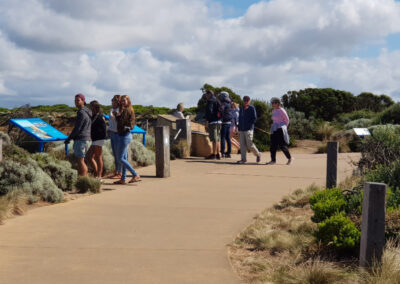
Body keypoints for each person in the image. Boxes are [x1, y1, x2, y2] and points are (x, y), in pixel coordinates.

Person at [114, 95, 141, 184]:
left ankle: (135, 174)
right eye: (122, 101)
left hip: (125, 136)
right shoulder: (124, 110)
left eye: (124, 100)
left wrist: (128, 127)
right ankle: (123, 179)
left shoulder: (128, 110)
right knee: (124, 158)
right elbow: (122, 121)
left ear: (128, 101)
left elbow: (131, 123)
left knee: (120, 158)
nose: (122, 102)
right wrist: (117, 116)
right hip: (123, 135)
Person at [65, 93, 92, 176]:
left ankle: (84, 179)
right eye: (75, 100)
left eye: (78, 100)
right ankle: (84, 178)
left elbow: (78, 128)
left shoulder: (81, 112)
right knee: (82, 160)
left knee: (80, 161)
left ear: (83, 101)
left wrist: (69, 139)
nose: (76, 102)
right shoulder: (88, 111)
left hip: (81, 139)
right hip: (87, 138)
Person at [266, 97, 292, 165]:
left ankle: (290, 159)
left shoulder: (282, 110)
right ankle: (273, 160)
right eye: (272, 103)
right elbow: (274, 120)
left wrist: (283, 127)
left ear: (278, 103)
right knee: (273, 145)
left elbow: (287, 120)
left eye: (273, 103)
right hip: (274, 128)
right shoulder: (274, 110)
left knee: (282, 145)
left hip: (280, 129)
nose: (272, 104)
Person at [237, 96, 262, 164]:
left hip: (249, 129)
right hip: (241, 129)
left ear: (249, 101)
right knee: (242, 145)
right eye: (244, 100)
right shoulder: (241, 108)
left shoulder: (252, 108)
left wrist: (250, 125)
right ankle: (243, 159)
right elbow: (239, 118)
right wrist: (238, 127)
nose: (245, 101)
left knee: (249, 144)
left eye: (247, 100)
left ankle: (258, 154)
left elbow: (254, 118)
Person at [88, 100, 106, 181]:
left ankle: (99, 176)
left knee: (98, 157)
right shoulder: (93, 115)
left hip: (99, 139)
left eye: (91, 106)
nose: (89, 107)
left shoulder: (100, 116)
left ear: (94, 107)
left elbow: (103, 129)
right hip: (94, 139)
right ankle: (96, 173)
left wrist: (100, 138)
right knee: (89, 157)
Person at [108, 95, 122, 179]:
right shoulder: (112, 110)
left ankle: (119, 172)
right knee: (115, 154)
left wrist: (113, 114)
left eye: (115, 101)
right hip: (112, 133)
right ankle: (116, 171)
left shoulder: (119, 110)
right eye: (112, 101)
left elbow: (113, 118)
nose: (113, 102)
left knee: (118, 154)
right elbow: (111, 121)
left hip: (118, 133)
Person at [204, 90, 221, 159]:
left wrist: (207, 121)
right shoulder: (217, 100)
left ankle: (213, 154)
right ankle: (218, 154)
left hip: (213, 122)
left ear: (209, 94)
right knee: (218, 138)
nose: (206, 96)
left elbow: (209, 112)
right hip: (219, 122)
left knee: (214, 139)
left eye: (206, 95)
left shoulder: (210, 101)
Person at [219, 92, 232, 158]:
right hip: (229, 122)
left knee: (223, 138)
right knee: (228, 138)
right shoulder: (229, 103)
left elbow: (221, 111)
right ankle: (229, 153)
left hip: (224, 122)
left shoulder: (223, 103)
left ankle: (223, 152)